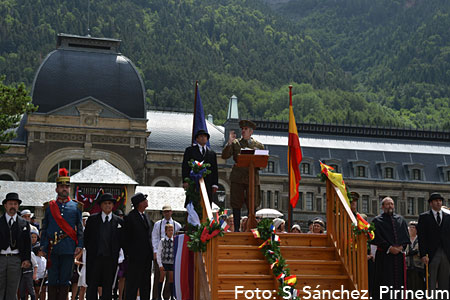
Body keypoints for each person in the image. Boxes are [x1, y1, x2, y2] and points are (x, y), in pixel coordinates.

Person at [40, 168, 83, 300]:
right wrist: (43, 246)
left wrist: (79, 245)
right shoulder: (49, 207)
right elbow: (45, 228)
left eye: (67, 187)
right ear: (56, 189)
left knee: (65, 280)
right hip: (52, 248)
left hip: (69, 248)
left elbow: (80, 228)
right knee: (52, 280)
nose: (64, 189)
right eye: (62, 186)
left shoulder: (76, 207)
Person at [221, 120, 264, 231]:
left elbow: (263, 164)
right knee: (236, 203)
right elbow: (225, 156)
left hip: (252, 178)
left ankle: (252, 227)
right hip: (238, 178)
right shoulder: (236, 143)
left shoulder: (258, 145)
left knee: (253, 203)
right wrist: (229, 143)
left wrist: (256, 156)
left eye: (245, 129)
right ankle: (236, 228)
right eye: (242, 129)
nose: (243, 131)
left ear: (251, 131)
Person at [84, 193, 124, 300]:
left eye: (110, 203)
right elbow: (86, 238)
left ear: (113, 205)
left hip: (110, 260)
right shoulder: (92, 220)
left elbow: (122, 241)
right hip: (95, 259)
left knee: (108, 286)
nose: (107, 205)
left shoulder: (119, 221)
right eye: (105, 203)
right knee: (92, 286)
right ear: (101, 205)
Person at [370, 197, 409, 300]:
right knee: (384, 281)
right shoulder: (377, 221)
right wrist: (389, 248)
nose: (390, 206)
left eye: (392, 204)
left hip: (399, 257)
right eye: (387, 204)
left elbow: (406, 237)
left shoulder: (401, 220)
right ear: (382, 207)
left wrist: (401, 247)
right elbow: (376, 238)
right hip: (384, 257)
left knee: (399, 283)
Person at [0, 192, 31, 300]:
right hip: (1, 258)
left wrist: (26, 259)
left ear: (18, 206)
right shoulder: (0, 221)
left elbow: (28, 243)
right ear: (5, 205)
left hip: (16, 258)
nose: (13, 206)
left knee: (12, 289)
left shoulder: (24, 223)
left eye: (15, 204)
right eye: (10, 203)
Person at [418, 192, 450, 292]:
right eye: (436, 201)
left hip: (446, 253)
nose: (438, 203)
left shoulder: (448, 217)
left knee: (444, 282)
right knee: (431, 281)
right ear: (431, 203)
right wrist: (423, 254)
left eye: (440, 201)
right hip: (431, 254)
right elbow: (422, 237)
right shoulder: (424, 217)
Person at [123, 193, 153, 300]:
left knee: (146, 284)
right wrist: (130, 254)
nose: (146, 201)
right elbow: (126, 239)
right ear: (139, 203)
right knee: (132, 284)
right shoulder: (130, 217)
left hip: (146, 258)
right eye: (144, 200)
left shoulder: (146, 216)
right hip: (135, 258)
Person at [151, 205, 181, 300]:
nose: (167, 213)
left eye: (168, 211)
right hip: (161, 253)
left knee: (170, 278)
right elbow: (154, 238)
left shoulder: (177, 225)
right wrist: (155, 251)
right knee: (158, 277)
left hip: (171, 255)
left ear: (171, 212)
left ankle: (167, 297)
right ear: (162, 213)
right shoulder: (157, 224)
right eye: (165, 212)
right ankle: (156, 297)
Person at [182, 129, 219, 205]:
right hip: (193, 182)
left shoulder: (212, 153)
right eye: (201, 136)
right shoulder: (190, 150)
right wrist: (185, 180)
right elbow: (185, 166)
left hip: (207, 184)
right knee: (193, 203)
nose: (203, 138)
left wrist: (215, 184)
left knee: (207, 203)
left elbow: (214, 169)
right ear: (197, 139)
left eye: (205, 136)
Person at [156, 223, 175, 300]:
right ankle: (159, 295)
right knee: (161, 278)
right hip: (164, 262)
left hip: (171, 262)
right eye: (169, 230)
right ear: (166, 231)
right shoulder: (162, 241)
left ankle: (172, 296)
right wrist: (160, 264)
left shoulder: (175, 241)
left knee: (171, 279)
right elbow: (159, 253)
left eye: (172, 230)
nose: (171, 232)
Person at [405, 221, 425, 292]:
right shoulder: (406, 240)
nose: (411, 229)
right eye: (410, 227)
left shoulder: (420, 239)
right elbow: (404, 251)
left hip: (418, 266)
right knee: (409, 286)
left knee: (418, 286)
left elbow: (422, 251)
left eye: (413, 227)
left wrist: (416, 252)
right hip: (408, 266)